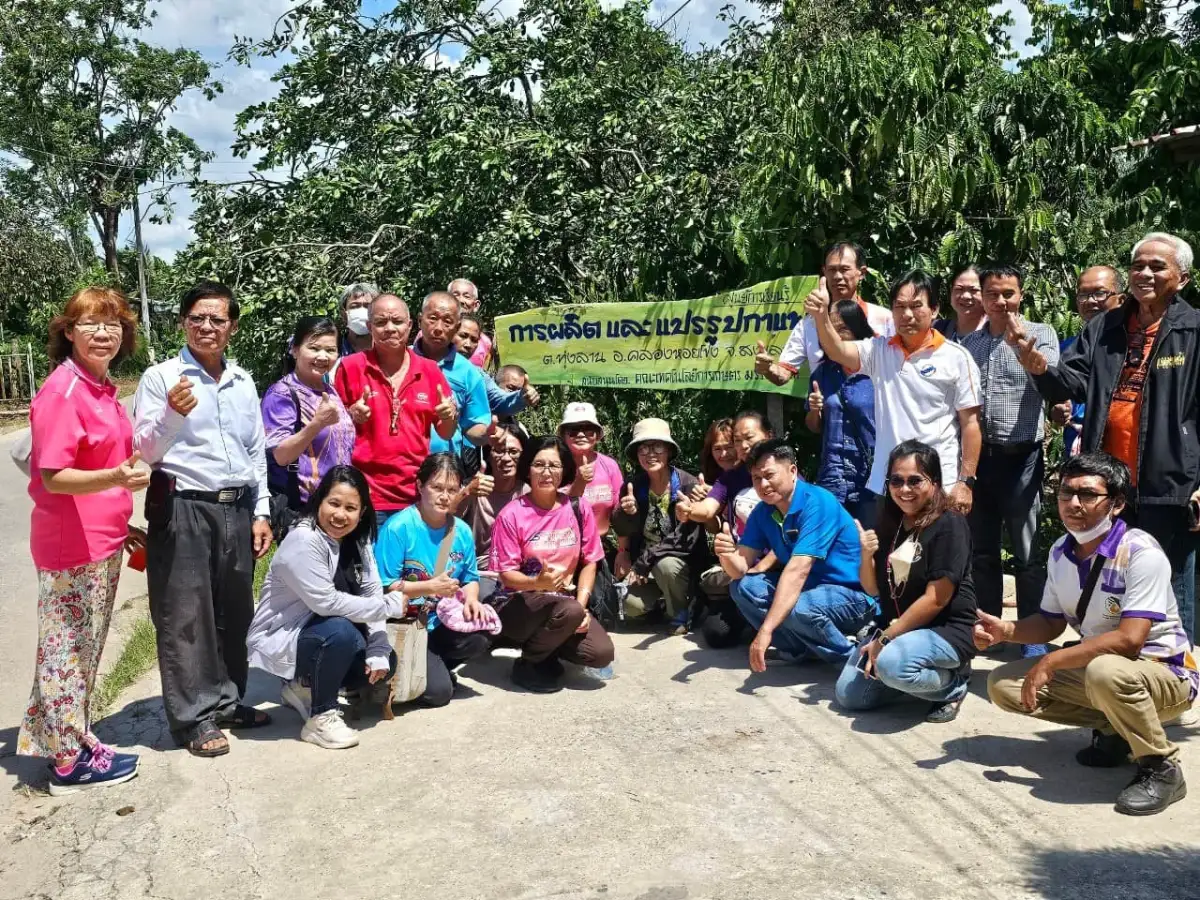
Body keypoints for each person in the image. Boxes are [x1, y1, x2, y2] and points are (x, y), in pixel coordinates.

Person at [981, 452, 1197, 816]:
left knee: (1104, 671)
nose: (1073, 504)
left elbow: (1130, 639)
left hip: (1166, 673)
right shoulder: (1059, 553)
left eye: (1087, 495)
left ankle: (1162, 768)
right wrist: (1006, 631)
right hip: (1109, 671)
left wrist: (1051, 659)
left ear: (1116, 504)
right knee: (1003, 685)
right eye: (1066, 494)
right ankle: (1116, 731)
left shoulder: (1141, 552)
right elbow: (1050, 622)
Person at [1015, 233, 1200, 640]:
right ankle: (1107, 677)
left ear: (1182, 279)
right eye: (1138, 265)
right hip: (1108, 484)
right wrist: (1040, 367)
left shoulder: (1194, 331)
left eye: (1157, 266)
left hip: (1170, 483)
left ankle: (1177, 678)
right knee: (1109, 581)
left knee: (1171, 585)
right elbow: (1073, 381)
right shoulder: (1105, 326)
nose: (1145, 273)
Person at [133, 281, 275, 757]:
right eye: (198, 318)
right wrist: (173, 412)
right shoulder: (161, 378)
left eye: (217, 319)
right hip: (184, 508)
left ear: (232, 327)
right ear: (182, 322)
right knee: (185, 616)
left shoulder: (243, 380)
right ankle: (193, 718)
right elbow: (147, 451)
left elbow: (255, 451)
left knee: (235, 612)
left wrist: (260, 510)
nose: (207, 327)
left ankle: (230, 701)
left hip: (236, 507)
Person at [19, 287, 145, 794]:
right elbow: (53, 475)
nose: (103, 332)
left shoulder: (100, 386)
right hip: (72, 544)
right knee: (66, 650)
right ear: (68, 332)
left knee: (80, 649)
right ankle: (68, 762)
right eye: (90, 323)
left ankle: (70, 736)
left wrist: (122, 520)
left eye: (113, 323)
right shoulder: (63, 391)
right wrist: (116, 477)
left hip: (102, 540)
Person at [247, 466, 403, 749]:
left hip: (320, 627)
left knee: (385, 660)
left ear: (362, 510)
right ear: (319, 501)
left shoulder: (358, 538)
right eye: (333, 503)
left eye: (350, 507)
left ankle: (304, 687)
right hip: (283, 634)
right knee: (342, 633)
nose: (340, 514)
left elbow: (370, 590)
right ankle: (320, 717)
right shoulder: (303, 540)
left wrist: (379, 645)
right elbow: (327, 602)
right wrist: (389, 607)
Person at [809, 269, 983, 517]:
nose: (907, 314)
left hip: (936, 483)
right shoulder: (879, 351)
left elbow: (971, 424)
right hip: (887, 484)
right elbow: (837, 351)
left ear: (934, 310)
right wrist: (820, 317)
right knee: (886, 554)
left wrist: (966, 482)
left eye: (916, 306)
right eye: (899, 306)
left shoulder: (956, 358)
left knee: (934, 554)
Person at [835, 441, 976, 723]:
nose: (904, 489)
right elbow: (873, 588)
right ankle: (909, 675)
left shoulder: (950, 524)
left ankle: (953, 684)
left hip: (946, 630)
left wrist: (886, 639)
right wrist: (866, 555)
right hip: (899, 629)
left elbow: (937, 598)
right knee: (849, 696)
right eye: (896, 481)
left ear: (934, 483)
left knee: (892, 664)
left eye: (915, 480)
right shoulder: (893, 522)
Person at [960, 264, 1059, 656]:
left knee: (1027, 550)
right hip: (980, 462)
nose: (1002, 302)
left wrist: (1022, 347)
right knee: (981, 551)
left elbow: (1052, 377)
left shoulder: (1042, 335)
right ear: (982, 297)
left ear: (1021, 294)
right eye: (993, 294)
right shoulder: (969, 345)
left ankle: (1032, 636)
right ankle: (989, 630)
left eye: (1009, 294)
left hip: (1024, 460)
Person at [714, 438, 876, 671]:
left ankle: (854, 661)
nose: (763, 484)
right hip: (810, 591)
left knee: (799, 607)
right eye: (756, 478)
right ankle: (801, 649)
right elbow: (740, 567)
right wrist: (726, 554)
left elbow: (798, 571)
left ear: (792, 471)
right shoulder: (763, 511)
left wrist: (765, 631)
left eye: (769, 475)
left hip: (853, 595)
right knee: (742, 587)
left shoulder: (818, 502)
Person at [491, 436, 616, 693]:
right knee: (567, 611)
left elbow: (591, 561)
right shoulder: (512, 514)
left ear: (564, 470)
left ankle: (547, 649)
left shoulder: (578, 507)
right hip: (519, 604)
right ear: (528, 468)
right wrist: (536, 583)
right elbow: (506, 575)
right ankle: (529, 662)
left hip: (565, 603)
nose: (546, 472)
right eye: (539, 465)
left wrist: (582, 606)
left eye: (554, 466)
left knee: (600, 654)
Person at [375, 453, 495, 707]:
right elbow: (384, 585)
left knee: (482, 633)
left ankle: (433, 666)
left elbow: (471, 577)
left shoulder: (461, 531)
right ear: (420, 486)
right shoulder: (399, 528)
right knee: (439, 694)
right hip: (403, 625)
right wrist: (429, 587)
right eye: (437, 487)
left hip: (439, 622)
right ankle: (417, 671)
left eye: (452, 490)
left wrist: (472, 599)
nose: (444, 496)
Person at [332, 293, 455, 524]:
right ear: (369, 327)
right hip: (363, 495)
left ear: (409, 326)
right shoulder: (351, 367)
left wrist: (449, 416)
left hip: (415, 495)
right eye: (380, 322)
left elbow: (446, 431)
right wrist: (350, 416)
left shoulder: (429, 370)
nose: (390, 328)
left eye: (397, 322)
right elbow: (330, 431)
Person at [679, 411, 774, 648]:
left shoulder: (784, 473)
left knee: (750, 587)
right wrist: (689, 509)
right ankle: (752, 619)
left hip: (777, 565)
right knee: (716, 633)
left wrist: (762, 566)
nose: (742, 446)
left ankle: (775, 627)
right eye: (738, 441)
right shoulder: (729, 478)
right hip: (741, 564)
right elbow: (708, 508)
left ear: (768, 435)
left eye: (748, 438)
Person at [611, 419, 708, 635]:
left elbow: (686, 540)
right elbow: (620, 526)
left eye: (658, 447)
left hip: (678, 565)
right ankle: (662, 606)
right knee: (629, 606)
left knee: (666, 566)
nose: (650, 454)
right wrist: (625, 516)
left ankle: (684, 611)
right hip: (645, 564)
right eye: (643, 448)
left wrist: (644, 561)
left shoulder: (687, 485)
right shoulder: (634, 486)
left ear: (669, 451)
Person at [261, 316, 355, 534]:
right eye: (314, 348)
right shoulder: (282, 393)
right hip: (304, 512)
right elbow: (280, 455)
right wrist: (317, 424)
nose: (323, 356)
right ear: (295, 349)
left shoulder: (328, 389)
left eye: (330, 350)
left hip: (335, 508)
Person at [756, 242, 894, 385]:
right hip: (824, 407)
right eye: (832, 270)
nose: (837, 276)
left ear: (862, 273)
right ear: (824, 272)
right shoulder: (809, 324)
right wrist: (768, 369)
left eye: (845, 269)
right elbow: (783, 374)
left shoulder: (884, 319)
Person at [804, 298, 878, 527]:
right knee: (835, 542)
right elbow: (813, 427)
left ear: (857, 328)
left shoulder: (878, 370)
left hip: (871, 474)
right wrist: (815, 410)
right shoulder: (822, 374)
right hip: (834, 474)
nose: (835, 336)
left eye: (842, 329)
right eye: (830, 330)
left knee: (870, 541)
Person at [1050, 266, 1125, 456]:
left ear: (1122, 299)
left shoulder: (1137, 345)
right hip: (1078, 452)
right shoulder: (1067, 348)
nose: (1090, 302)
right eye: (1083, 295)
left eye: (1100, 293)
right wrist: (1057, 408)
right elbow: (1059, 398)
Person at [411, 291, 491, 457]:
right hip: (400, 465)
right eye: (432, 318)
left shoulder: (469, 373)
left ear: (456, 327)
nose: (439, 328)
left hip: (444, 469)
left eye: (447, 322)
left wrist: (488, 433)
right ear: (420, 320)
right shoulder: (399, 361)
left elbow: (475, 425)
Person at [459, 423, 528, 597]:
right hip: (480, 572)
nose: (506, 458)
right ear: (487, 456)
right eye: (498, 450)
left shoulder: (530, 492)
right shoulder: (474, 487)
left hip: (521, 572)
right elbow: (444, 520)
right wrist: (467, 493)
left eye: (513, 452)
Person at [559, 402, 623, 538]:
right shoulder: (555, 465)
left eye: (588, 429)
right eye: (573, 430)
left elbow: (619, 510)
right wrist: (579, 483)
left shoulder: (609, 465)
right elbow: (554, 512)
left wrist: (623, 550)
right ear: (563, 435)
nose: (581, 435)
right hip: (566, 545)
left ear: (597, 435)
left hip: (603, 543)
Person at [454, 315, 537, 418]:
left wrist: (522, 396)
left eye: (474, 340)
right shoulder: (430, 366)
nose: (468, 345)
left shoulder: (477, 375)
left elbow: (500, 401)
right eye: (463, 336)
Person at [447, 278, 493, 367]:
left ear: (476, 305)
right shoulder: (432, 333)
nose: (460, 300)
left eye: (466, 296)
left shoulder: (485, 342)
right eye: (455, 295)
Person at [934, 265, 986, 341]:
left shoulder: (997, 332)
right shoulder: (937, 329)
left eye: (973, 290)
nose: (965, 296)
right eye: (959, 289)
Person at [339, 282, 379, 355]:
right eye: (354, 306)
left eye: (368, 306)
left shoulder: (387, 350)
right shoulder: (334, 350)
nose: (362, 310)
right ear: (343, 314)